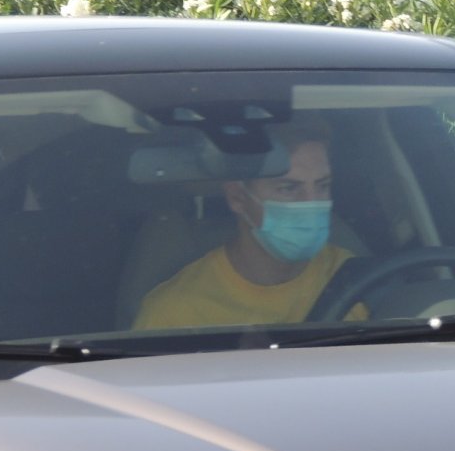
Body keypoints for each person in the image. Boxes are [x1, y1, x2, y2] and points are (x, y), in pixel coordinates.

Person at [131, 117, 367, 329]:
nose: (311, 203)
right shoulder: (177, 312)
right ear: (237, 197)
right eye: (288, 188)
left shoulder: (358, 279)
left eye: (322, 185)